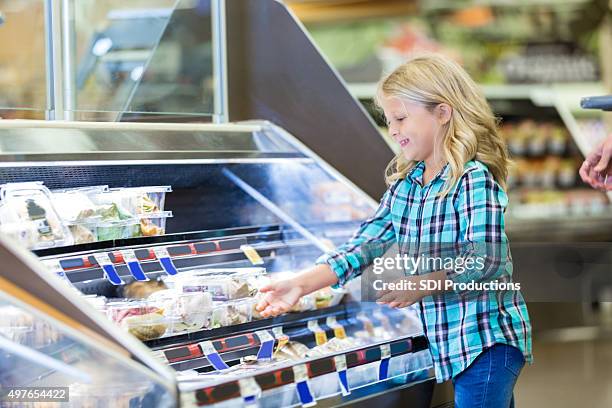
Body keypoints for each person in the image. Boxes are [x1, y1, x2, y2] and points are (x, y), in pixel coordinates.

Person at [256, 53, 532, 408]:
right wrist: (300, 283)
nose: (394, 130)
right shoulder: (407, 186)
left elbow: (487, 258)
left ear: (443, 112)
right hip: (451, 342)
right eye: (389, 121)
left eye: (401, 118)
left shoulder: (472, 179)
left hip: (487, 341)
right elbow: (364, 245)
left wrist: (423, 282)